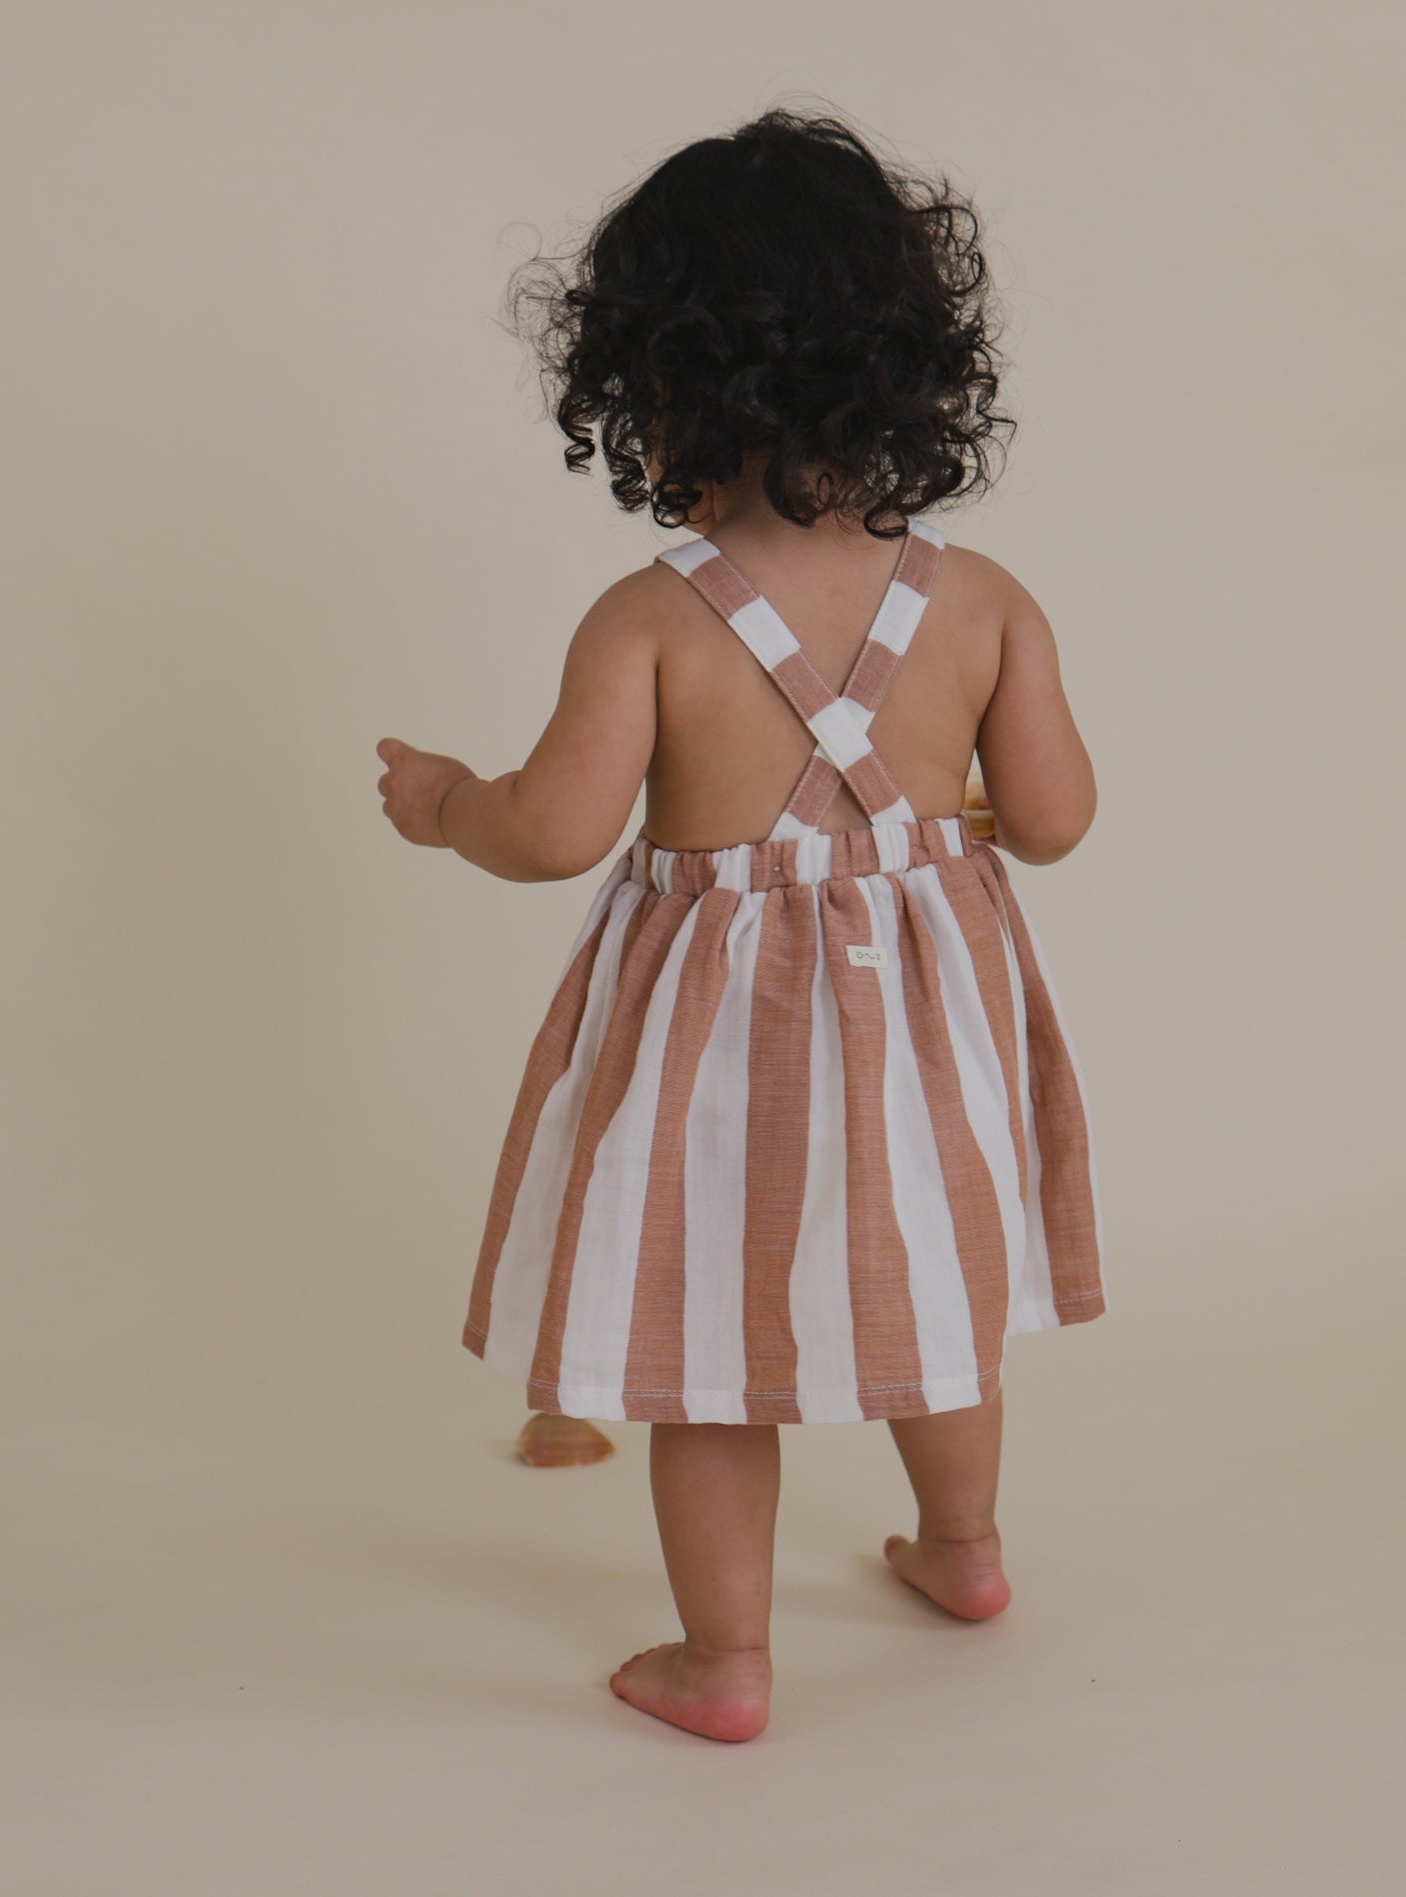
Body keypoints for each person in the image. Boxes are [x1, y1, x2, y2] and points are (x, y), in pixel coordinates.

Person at [375, 106, 1106, 1744]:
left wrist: (444, 804)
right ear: (913, 369)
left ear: (656, 388)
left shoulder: (651, 619)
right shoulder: (983, 601)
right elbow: (1053, 822)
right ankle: (968, 1551)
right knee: (930, 1283)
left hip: (722, 1043)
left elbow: (556, 829)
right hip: (926, 1023)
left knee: (705, 1333)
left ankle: (726, 1661)